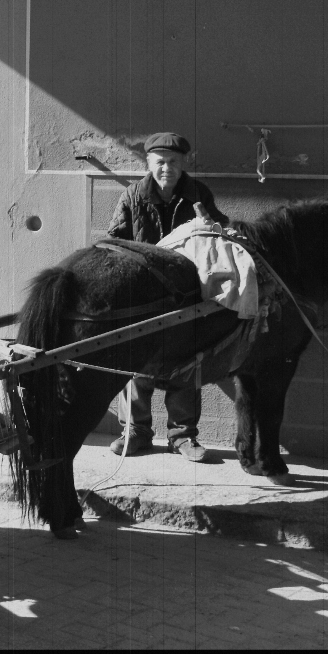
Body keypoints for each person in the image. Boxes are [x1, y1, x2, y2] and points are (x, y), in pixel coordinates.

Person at [105, 132, 229, 462]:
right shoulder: (132, 196)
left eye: (173, 162)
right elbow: (114, 243)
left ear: (184, 163)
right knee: (136, 363)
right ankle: (136, 432)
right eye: (160, 162)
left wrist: (211, 226)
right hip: (143, 297)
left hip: (186, 295)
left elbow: (221, 234)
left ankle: (183, 436)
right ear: (149, 163)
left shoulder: (198, 193)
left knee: (187, 363)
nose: (166, 168)